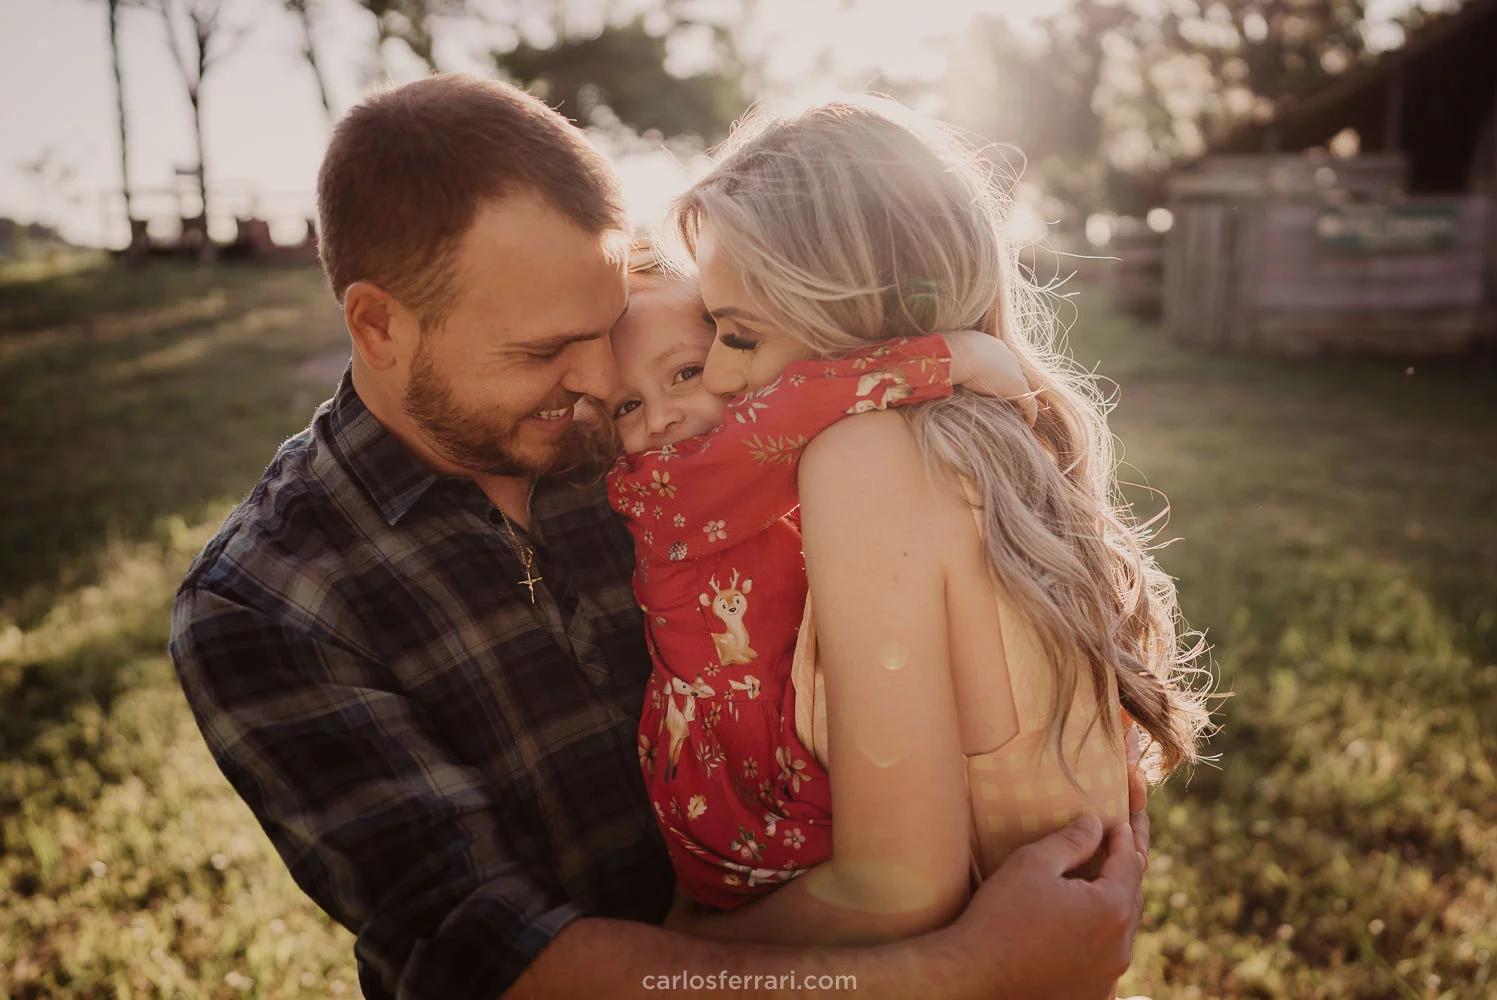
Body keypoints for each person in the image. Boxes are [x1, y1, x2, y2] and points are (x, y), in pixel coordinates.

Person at [170, 74, 1152, 1000]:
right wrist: (963, 971)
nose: (604, 383)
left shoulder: (651, 426)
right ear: (379, 326)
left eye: (608, 324)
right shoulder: (267, 601)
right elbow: (498, 964)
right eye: (546, 348)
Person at [647, 96, 1214, 950]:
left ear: (850, 315)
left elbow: (896, 887)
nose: (723, 379)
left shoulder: (869, 458)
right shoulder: (997, 440)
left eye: (739, 335)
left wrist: (673, 957)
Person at [608, 246, 1035, 911]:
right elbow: (783, 414)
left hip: (802, 742)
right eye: (625, 406)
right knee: (883, 910)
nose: (658, 418)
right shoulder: (659, 493)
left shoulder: (794, 468)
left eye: (686, 373)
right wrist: (945, 357)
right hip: (739, 791)